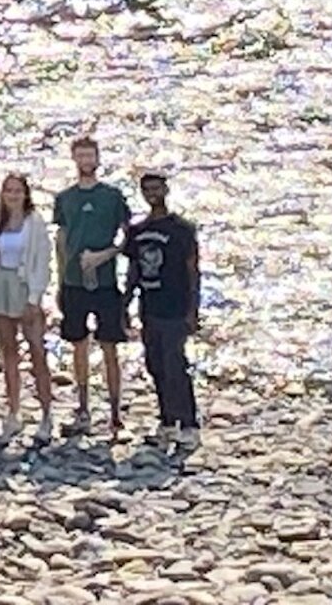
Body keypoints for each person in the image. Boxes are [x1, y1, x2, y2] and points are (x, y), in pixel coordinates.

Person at [53, 137, 135, 437]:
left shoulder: (112, 196)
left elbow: (127, 237)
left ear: (98, 159)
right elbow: (61, 240)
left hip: (106, 282)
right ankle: (83, 408)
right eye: (81, 155)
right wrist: (61, 280)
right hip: (74, 283)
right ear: (74, 160)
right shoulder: (65, 198)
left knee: (110, 346)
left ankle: (115, 414)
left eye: (91, 155)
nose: (86, 160)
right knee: (78, 345)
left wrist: (104, 255)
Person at [124, 170, 202, 453]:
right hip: (150, 306)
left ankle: (189, 423)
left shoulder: (182, 229)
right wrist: (125, 304)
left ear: (166, 191)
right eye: (147, 189)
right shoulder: (137, 230)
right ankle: (167, 420)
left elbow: (192, 271)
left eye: (157, 188)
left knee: (175, 366)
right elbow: (133, 270)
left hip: (175, 306)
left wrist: (193, 310)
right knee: (155, 364)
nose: (152, 193)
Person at [0, 173, 55, 442]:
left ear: (25, 194)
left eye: (17, 191)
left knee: (37, 351)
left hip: (26, 287)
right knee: (8, 352)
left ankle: (47, 413)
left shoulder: (34, 223)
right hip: (2, 284)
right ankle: (13, 411)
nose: (12, 195)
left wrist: (34, 298)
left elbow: (43, 261)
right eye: (8, 191)